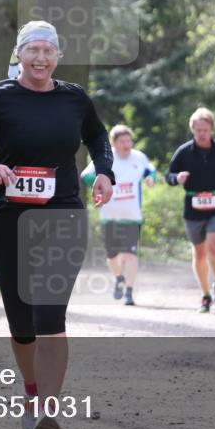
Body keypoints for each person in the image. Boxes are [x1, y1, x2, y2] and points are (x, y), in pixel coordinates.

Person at [0, 20, 114, 429]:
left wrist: (104, 172)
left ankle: (48, 414)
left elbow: (96, 135)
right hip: (11, 219)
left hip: (63, 215)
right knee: (22, 324)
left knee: (49, 317)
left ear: (58, 56)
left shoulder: (74, 98)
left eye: (48, 51)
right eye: (32, 50)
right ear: (19, 54)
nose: (40, 58)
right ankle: (32, 391)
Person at [165, 108, 215, 313]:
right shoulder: (184, 151)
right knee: (199, 254)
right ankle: (205, 294)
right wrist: (176, 178)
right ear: (193, 130)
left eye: (205, 129)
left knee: (214, 246)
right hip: (192, 208)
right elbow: (168, 174)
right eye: (198, 129)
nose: (202, 133)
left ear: (212, 130)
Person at [81, 125, 156, 306]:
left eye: (129, 140)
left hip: (132, 216)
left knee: (131, 254)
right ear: (114, 143)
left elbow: (151, 171)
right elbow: (85, 176)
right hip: (109, 215)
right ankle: (118, 278)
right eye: (122, 141)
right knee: (112, 255)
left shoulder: (139, 157)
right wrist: (100, 184)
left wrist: (151, 178)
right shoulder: (107, 158)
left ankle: (129, 292)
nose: (127, 144)